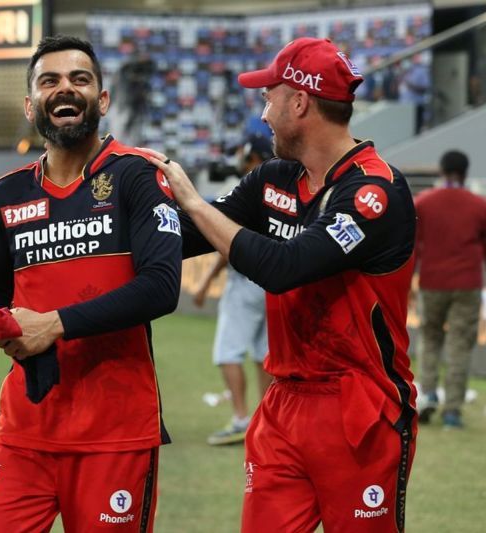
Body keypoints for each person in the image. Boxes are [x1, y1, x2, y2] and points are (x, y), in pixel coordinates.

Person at [145, 38, 417, 532]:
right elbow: (186, 236)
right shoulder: (275, 179)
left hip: (361, 408)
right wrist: (107, 213)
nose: (263, 114)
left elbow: (285, 266)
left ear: (299, 102)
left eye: (268, 98)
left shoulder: (375, 191)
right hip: (284, 404)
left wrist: (194, 200)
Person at [0, 35, 182, 532]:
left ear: (102, 100)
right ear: (31, 105)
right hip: (25, 426)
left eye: (79, 79)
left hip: (116, 432)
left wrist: (53, 324)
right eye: (50, 81)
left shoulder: (136, 176)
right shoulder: (6, 193)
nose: (64, 89)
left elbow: (161, 287)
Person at [192, 135, 273, 446]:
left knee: (228, 351)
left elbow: (230, 244)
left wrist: (207, 281)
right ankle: (268, 421)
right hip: (275, 281)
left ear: (253, 157)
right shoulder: (284, 188)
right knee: (265, 353)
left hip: (245, 281)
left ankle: (242, 418)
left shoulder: (248, 191)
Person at [414, 150, 486, 429]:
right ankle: (452, 411)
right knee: (459, 344)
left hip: (432, 281)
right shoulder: (478, 206)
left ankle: (429, 394)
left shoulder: (424, 203)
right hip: (467, 283)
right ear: (465, 173)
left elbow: (413, 246)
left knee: (430, 338)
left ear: (441, 171)